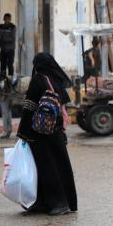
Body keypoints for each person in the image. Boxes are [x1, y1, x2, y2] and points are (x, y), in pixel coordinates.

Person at [16, 53, 77, 216]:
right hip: (56, 131)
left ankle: (58, 203)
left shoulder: (38, 80)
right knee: (61, 166)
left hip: (40, 133)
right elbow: (63, 105)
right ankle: (47, 202)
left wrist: (23, 132)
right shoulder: (56, 80)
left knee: (47, 168)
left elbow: (29, 106)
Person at [0, 13, 17, 77]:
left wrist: (2, 34)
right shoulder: (1, 26)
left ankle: (11, 79)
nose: (7, 20)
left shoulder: (13, 27)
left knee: (10, 65)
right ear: (4, 19)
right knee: (2, 65)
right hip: (3, 49)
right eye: (5, 19)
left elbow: (12, 38)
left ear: (10, 19)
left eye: (8, 19)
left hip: (10, 49)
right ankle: (2, 78)